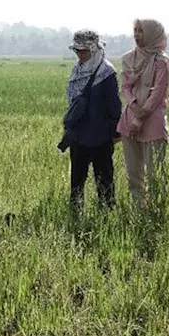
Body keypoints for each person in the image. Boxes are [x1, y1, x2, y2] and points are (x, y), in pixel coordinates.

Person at [59, 30, 122, 210]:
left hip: (101, 135)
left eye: (84, 50)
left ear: (94, 49)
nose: (80, 54)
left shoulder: (107, 73)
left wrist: (115, 132)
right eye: (77, 50)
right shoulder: (76, 70)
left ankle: (107, 213)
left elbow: (114, 105)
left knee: (104, 180)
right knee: (77, 180)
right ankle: (76, 213)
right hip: (78, 134)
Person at [117, 19, 169, 207]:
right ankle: (138, 211)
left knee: (155, 173)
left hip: (152, 123)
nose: (137, 34)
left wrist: (140, 117)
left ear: (152, 34)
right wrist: (133, 107)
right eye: (135, 30)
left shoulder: (162, 62)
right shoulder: (128, 58)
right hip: (129, 120)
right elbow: (125, 87)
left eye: (141, 31)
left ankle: (158, 212)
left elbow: (157, 94)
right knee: (134, 174)